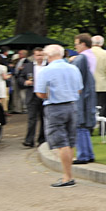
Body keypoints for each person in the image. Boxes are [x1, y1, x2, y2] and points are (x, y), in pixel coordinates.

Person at [34, 44, 83, 187]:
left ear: (48, 56)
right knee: (69, 140)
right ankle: (68, 174)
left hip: (55, 107)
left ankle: (67, 177)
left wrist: (50, 95)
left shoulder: (46, 71)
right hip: (72, 106)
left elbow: (40, 93)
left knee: (62, 143)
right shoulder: (73, 68)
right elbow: (79, 89)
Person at [71, 34, 97, 165]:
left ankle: (82, 155)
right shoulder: (92, 55)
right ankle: (88, 153)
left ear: (83, 44)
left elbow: (75, 76)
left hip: (81, 92)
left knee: (80, 124)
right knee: (85, 125)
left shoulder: (81, 58)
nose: (75, 46)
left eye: (76, 44)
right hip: (90, 91)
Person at [19, 47, 47, 147]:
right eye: (37, 55)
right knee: (32, 118)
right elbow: (20, 78)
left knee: (44, 118)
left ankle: (42, 139)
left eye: (41, 55)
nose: (39, 57)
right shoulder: (28, 66)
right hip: (32, 94)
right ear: (34, 56)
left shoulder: (48, 66)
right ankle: (29, 140)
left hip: (45, 95)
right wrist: (25, 82)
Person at [91, 35, 106, 120]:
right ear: (102, 44)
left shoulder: (87, 54)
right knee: (101, 107)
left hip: (89, 85)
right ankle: (102, 126)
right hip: (102, 85)